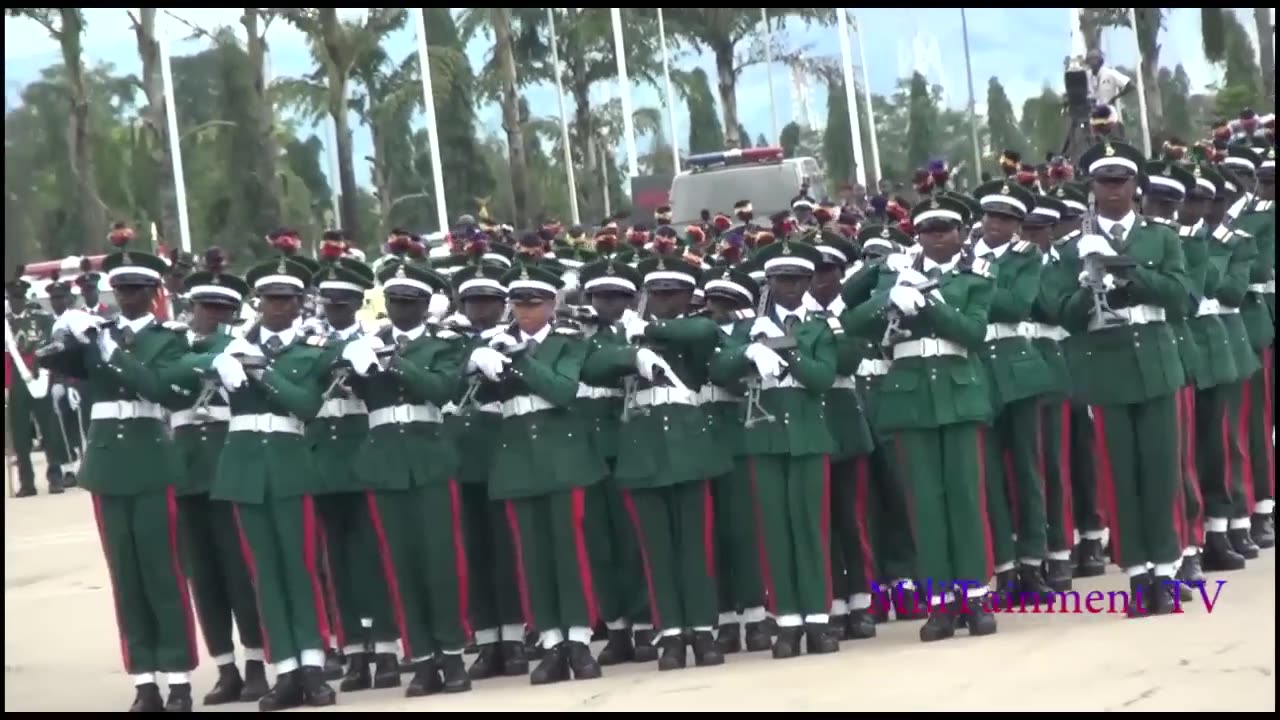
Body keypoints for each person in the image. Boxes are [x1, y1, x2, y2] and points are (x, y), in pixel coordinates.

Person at [39, 226, 199, 711]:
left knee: (163, 572)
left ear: (154, 295)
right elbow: (57, 364)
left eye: (136, 290)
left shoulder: (171, 340)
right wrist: (67, 337)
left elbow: (163, 388)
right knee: (125, 575)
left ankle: (178, 678)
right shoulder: (98, 333)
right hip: (108, 463)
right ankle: (144, 678)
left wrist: (111, 352)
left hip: (150, 458)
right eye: (120, 290)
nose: (126, 297)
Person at [840, 195, 999, 640]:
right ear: (918, 237)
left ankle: (975, 596)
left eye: (945, 229)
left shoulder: (975, 277)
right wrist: (887, 290)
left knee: (965, 499)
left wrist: (928, 305)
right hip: (910, 397)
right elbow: (853, 320)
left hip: (959, 391)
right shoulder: (896, 275)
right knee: (924, 505)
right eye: (928, 231)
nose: (936, 237)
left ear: (960, 234)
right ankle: (940, 604)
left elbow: (973, 331)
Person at [192, 255, 343, 710]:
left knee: (299, 570)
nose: (279, 306)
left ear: (301, 303)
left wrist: (262, 372)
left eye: (288, 299)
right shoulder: (229, 342)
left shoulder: (311, 349)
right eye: (270, 299)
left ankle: (313, 668)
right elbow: (186, 366)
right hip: (243, 467)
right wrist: (219, 360)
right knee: (264, 576)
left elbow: (307, 405)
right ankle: (285, 671)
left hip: (288, 462)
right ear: (258, 302)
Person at [1058, 140, 1190, 617]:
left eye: (1122, 181)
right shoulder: (1073, 245)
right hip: (1107, 366)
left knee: (1161, 471)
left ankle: (1167, 571)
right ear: (1091, 189)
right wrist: (1084, 282)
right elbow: (1061, 315)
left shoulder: (1160, 236)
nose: (1113, 190)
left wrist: (1126, 270)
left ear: (1136, 186)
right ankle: (1137, 573)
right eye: (1103, 182)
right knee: (1121, 475)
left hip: (1154, 357)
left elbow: (1182, 297)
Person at [468, 262, 606, 685]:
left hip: (562, 455)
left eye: (534, 304)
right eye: (519, 305)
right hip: (516, 459)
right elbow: (464, 397)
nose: (525, 313)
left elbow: (562, 391)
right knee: (532, 557)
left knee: (569, 552)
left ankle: (579, 640)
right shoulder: (495, 341)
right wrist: (475, 362)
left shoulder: (568, 343)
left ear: (552, 304)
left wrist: (517, 361)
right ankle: (550, 641)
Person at [342, 258, 473, 697]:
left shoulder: (444, 344)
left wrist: (391, 362)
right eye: (395, 301)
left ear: (426, 305)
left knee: (441, 562)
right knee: (400, 566)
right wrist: (350, 360)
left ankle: (452, 656)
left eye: (410, 302)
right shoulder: (369, 341)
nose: (400, 309)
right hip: (384, 461)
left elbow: (441, 389)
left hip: (429, 455)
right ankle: (420, 658)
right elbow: (346, 386)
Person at [596, 253, 730, 671]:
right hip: (643, 447)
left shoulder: (689, 329)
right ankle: (669, 633)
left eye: (671, 294)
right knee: (656, 551)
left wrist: (651, 330)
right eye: (655, 294)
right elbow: (593, 364)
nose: (662, 300)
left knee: (695, 547)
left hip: (689, 445)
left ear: (689, 296)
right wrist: (630, 352)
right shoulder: (619, 334)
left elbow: (706, 329)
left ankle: (703, 631)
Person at [710, 238, 841, 659]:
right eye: (782, 278)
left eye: (798, 278)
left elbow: (823, 377)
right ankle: (787, 620)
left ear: (808, 281)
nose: (790, 285)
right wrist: (749, 347)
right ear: (768, 281)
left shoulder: (818, 325)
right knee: (776, 533)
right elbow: (721, 371)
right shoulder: (749, 328)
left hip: (806, 434)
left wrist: (787, 349)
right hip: (763, 437)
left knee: (809, 529)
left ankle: (818, 621)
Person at [162, 247, 269, 705]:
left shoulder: (244, 347)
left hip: (230, 465)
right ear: (192, 309)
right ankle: (225, 667)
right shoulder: (171, 346)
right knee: (203, 579)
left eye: (223, 310)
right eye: (206, 309)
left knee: (241, 573)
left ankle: (257, 662)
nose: (213, 317)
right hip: (186, 470)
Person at [304, 250, 403, 691]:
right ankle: (354, 649)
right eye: (329, 303)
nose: (335, 310)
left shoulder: (378, 339)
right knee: (335, 564)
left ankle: (385, 646)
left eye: (343, 304)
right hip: (324, 459)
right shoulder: (307, 343)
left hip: (364, 455)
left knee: (372, 558)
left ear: (358, 302)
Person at [969, 179, 1056, 605]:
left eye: (1004, 219)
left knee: (1027, 469)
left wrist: (977, 283)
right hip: (976, 370)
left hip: (1016, 366)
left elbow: (1017, 305)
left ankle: (1033, 562)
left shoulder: (1026, 257)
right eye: (990, 217)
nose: (994, 225)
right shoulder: (964, 257)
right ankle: (1003, 564)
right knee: (988, 474)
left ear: (1018, 225)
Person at [443, 259, 530, 680]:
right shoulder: (448, 340)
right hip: (460, 452)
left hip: (503, 447)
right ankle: (487, 638)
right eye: (474, 302)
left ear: (503, 304)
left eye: (490, 302)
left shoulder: (515, 340)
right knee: (473, 552)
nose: (481, 310)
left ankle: (513, 637)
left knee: (506, 548)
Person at [572, 251, 655, 666]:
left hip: (626, 441)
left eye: (618, 297)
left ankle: (643, 625)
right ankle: (616, 625)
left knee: (631, 540)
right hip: (584, 444)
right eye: (602, 297)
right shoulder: (574, 334)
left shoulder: (637, 333)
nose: (609, 305)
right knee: (598, 543)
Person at [805, 230, 878, 639]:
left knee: (852, 518)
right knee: (822, 520)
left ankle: (861, 602)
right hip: (810, 422)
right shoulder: (793, 317)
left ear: (840, 273)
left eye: (827, 270)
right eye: (812, 272)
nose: (819, 279)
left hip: (844, 420)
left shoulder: (850, 312)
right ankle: (831, 603)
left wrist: (833, 326)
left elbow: (849, 359)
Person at [1181, 161, 1252, 574]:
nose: (1200, 207)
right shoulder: (1169, 240)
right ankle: (1188, 540)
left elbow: (1224, 287)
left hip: (1215, 348)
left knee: (1216, 445)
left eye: (1208, 200)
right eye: (1192, 199)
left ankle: (1220, 530)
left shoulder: (1231, 241)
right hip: (1183, 347)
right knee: (1181, 451)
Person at [698, 263, 773, 651]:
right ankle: (726, 617)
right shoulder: (696, 330)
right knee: (713, 532)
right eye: (712, 299)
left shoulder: (752, 332)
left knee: (744, 531)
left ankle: (756, 615)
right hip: (701, 431)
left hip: (738, 428)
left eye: (724, 300)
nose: (716, 307)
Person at [1020, 191, 1077, 591]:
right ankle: (1028, 553)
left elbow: (1054, 308)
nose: (1031, 236)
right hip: (1013, 364)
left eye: (1038, 229)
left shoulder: (1062, 263)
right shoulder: (1003, 262)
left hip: (1051, 360)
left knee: (1054, 465)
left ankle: (1058, 551)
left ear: (1052, 231)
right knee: (1021, 467)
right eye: (1026, 229)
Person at [1232, 143, 1275, 548]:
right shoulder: (1238, 220)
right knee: (1240, 425)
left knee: (1259, 423)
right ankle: (1250, 504)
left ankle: (1263, 504)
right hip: (1235, 324)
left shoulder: (1262, 219)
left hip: (1258, 317)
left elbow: (1260, 267)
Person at [6, 269, 66, 496]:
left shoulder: (41, 319)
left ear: (26, 298)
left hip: (41, 377)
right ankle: (27, 482)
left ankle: (55, 478)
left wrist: (56, 378)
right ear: (9, 300)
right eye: (13, 298)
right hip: (17, 382)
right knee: (20, 435)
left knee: (49, 431)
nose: (17, 302)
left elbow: (52, 349)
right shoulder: (6, 324)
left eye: (20, 297)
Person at [1084, 50, 1134, 137]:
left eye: (1094, 59)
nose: (1092, 62)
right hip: (1092, 115)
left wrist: (1115, 97)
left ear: (1100, 60)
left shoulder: (1109, 73)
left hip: (1108, 114)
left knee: (1113, 141)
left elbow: (1131, 85)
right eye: (1090, 59)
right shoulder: (1086, 75)